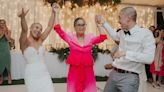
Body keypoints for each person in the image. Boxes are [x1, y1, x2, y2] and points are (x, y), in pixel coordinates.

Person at [95, 7, 155, 92]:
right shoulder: (122, 32)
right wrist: (104, 23)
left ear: (128, 18)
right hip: (114, 73)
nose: (118, 21)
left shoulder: (146, 34)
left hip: (129, 77)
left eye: (120, 17)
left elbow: (149, 58)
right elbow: (114, 35)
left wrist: (126, 53)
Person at [53, 5, 107, 92]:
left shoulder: (90, 38)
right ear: (74, 27)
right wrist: (57, 13)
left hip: (88, 71)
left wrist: (99, 25)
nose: (81, 27)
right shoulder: (70, 37)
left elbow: (102, 37)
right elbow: (58, 29)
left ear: (85, 26)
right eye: (78, 25)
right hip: (74, 72)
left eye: (83, 25)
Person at [17, 3, 58, 92]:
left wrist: (53, 12)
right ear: (31, 28)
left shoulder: (40, 40)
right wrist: (23, 18)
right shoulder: (24, 43)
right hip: (31, 75)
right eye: (36, 27)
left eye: (40, 29)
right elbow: (24, 30)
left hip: (44, 73)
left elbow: (50, 26)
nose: (38, 30)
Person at [0, 19, 14, 84]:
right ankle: (1, 78)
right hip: (0, 48)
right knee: (1, 63)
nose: (2, 24)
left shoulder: (9, 31)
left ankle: (9, 76)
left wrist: (5, 33)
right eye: (1, 23)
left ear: (5, 24)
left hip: (6, 48)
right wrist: (2, 33)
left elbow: (8, 39)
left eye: (3, 23)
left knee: (7, 62)